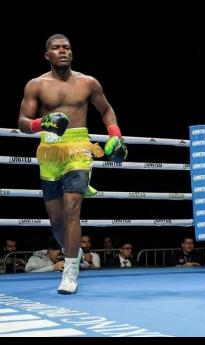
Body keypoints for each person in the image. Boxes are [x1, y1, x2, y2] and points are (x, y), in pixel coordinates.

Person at [17, 34, 127, 294]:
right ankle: (73, 254)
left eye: (66, 47)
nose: (62, 51)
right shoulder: (36, 85)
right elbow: (22, 122)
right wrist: (40, 123)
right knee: (56, 220)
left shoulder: (88, 83)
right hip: (50, 151)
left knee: (71, 208)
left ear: (72, 53)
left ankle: (69, 270)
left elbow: (106, 110)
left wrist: (115, 135)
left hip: (79, 147)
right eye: (56, 48)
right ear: (47, 55)